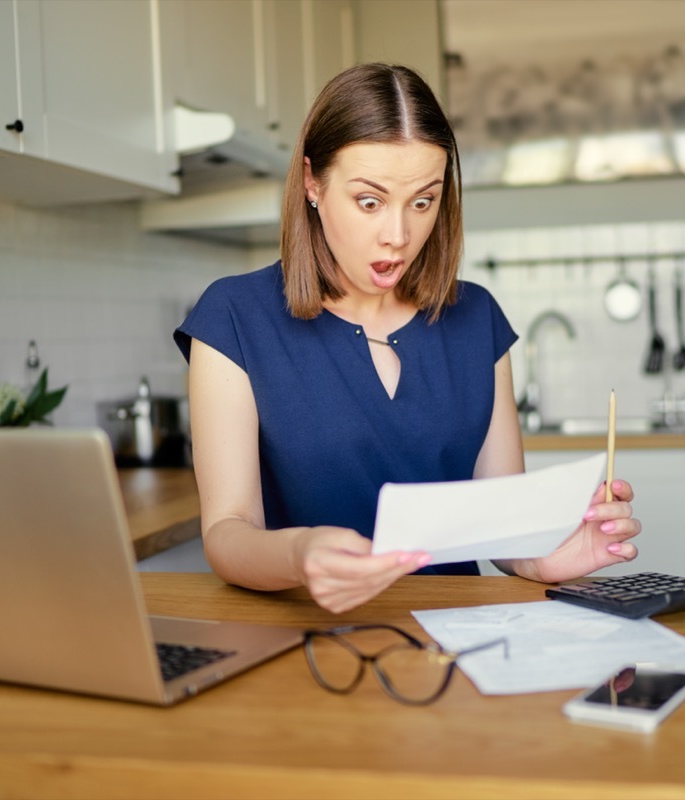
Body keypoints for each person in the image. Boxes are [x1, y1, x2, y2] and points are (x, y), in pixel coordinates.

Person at [174, 63, 640, 614]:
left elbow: (499, 526)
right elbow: (228, 531)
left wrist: (539, 558)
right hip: (303, 645)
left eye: (423, 201)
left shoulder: (477, 320)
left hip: (457, 644)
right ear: (312, 183)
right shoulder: (234, 316)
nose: (398, 236)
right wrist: (299, 553)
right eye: (369, 202)